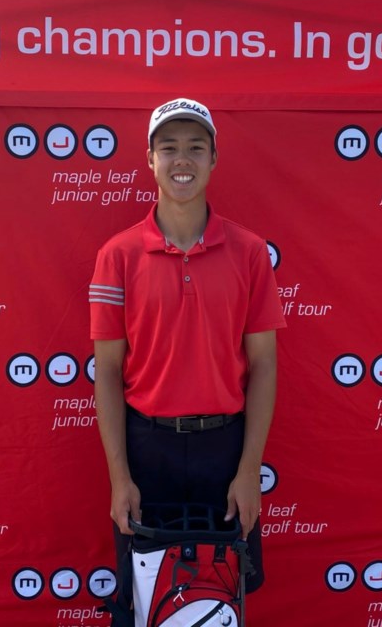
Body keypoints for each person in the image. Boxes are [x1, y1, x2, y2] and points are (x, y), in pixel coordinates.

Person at [89, 97, 286, 619]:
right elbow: (107, 371)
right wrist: (119, 476)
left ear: (214, 158)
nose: (183, 160)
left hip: (224, 450)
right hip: (146, 448)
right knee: (146, 601)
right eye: (169, 148)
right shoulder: (118, 255)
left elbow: (264, 364)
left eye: (196, 148)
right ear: (149, 159)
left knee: (219, 604)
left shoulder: (249, 252)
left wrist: (248, 471)